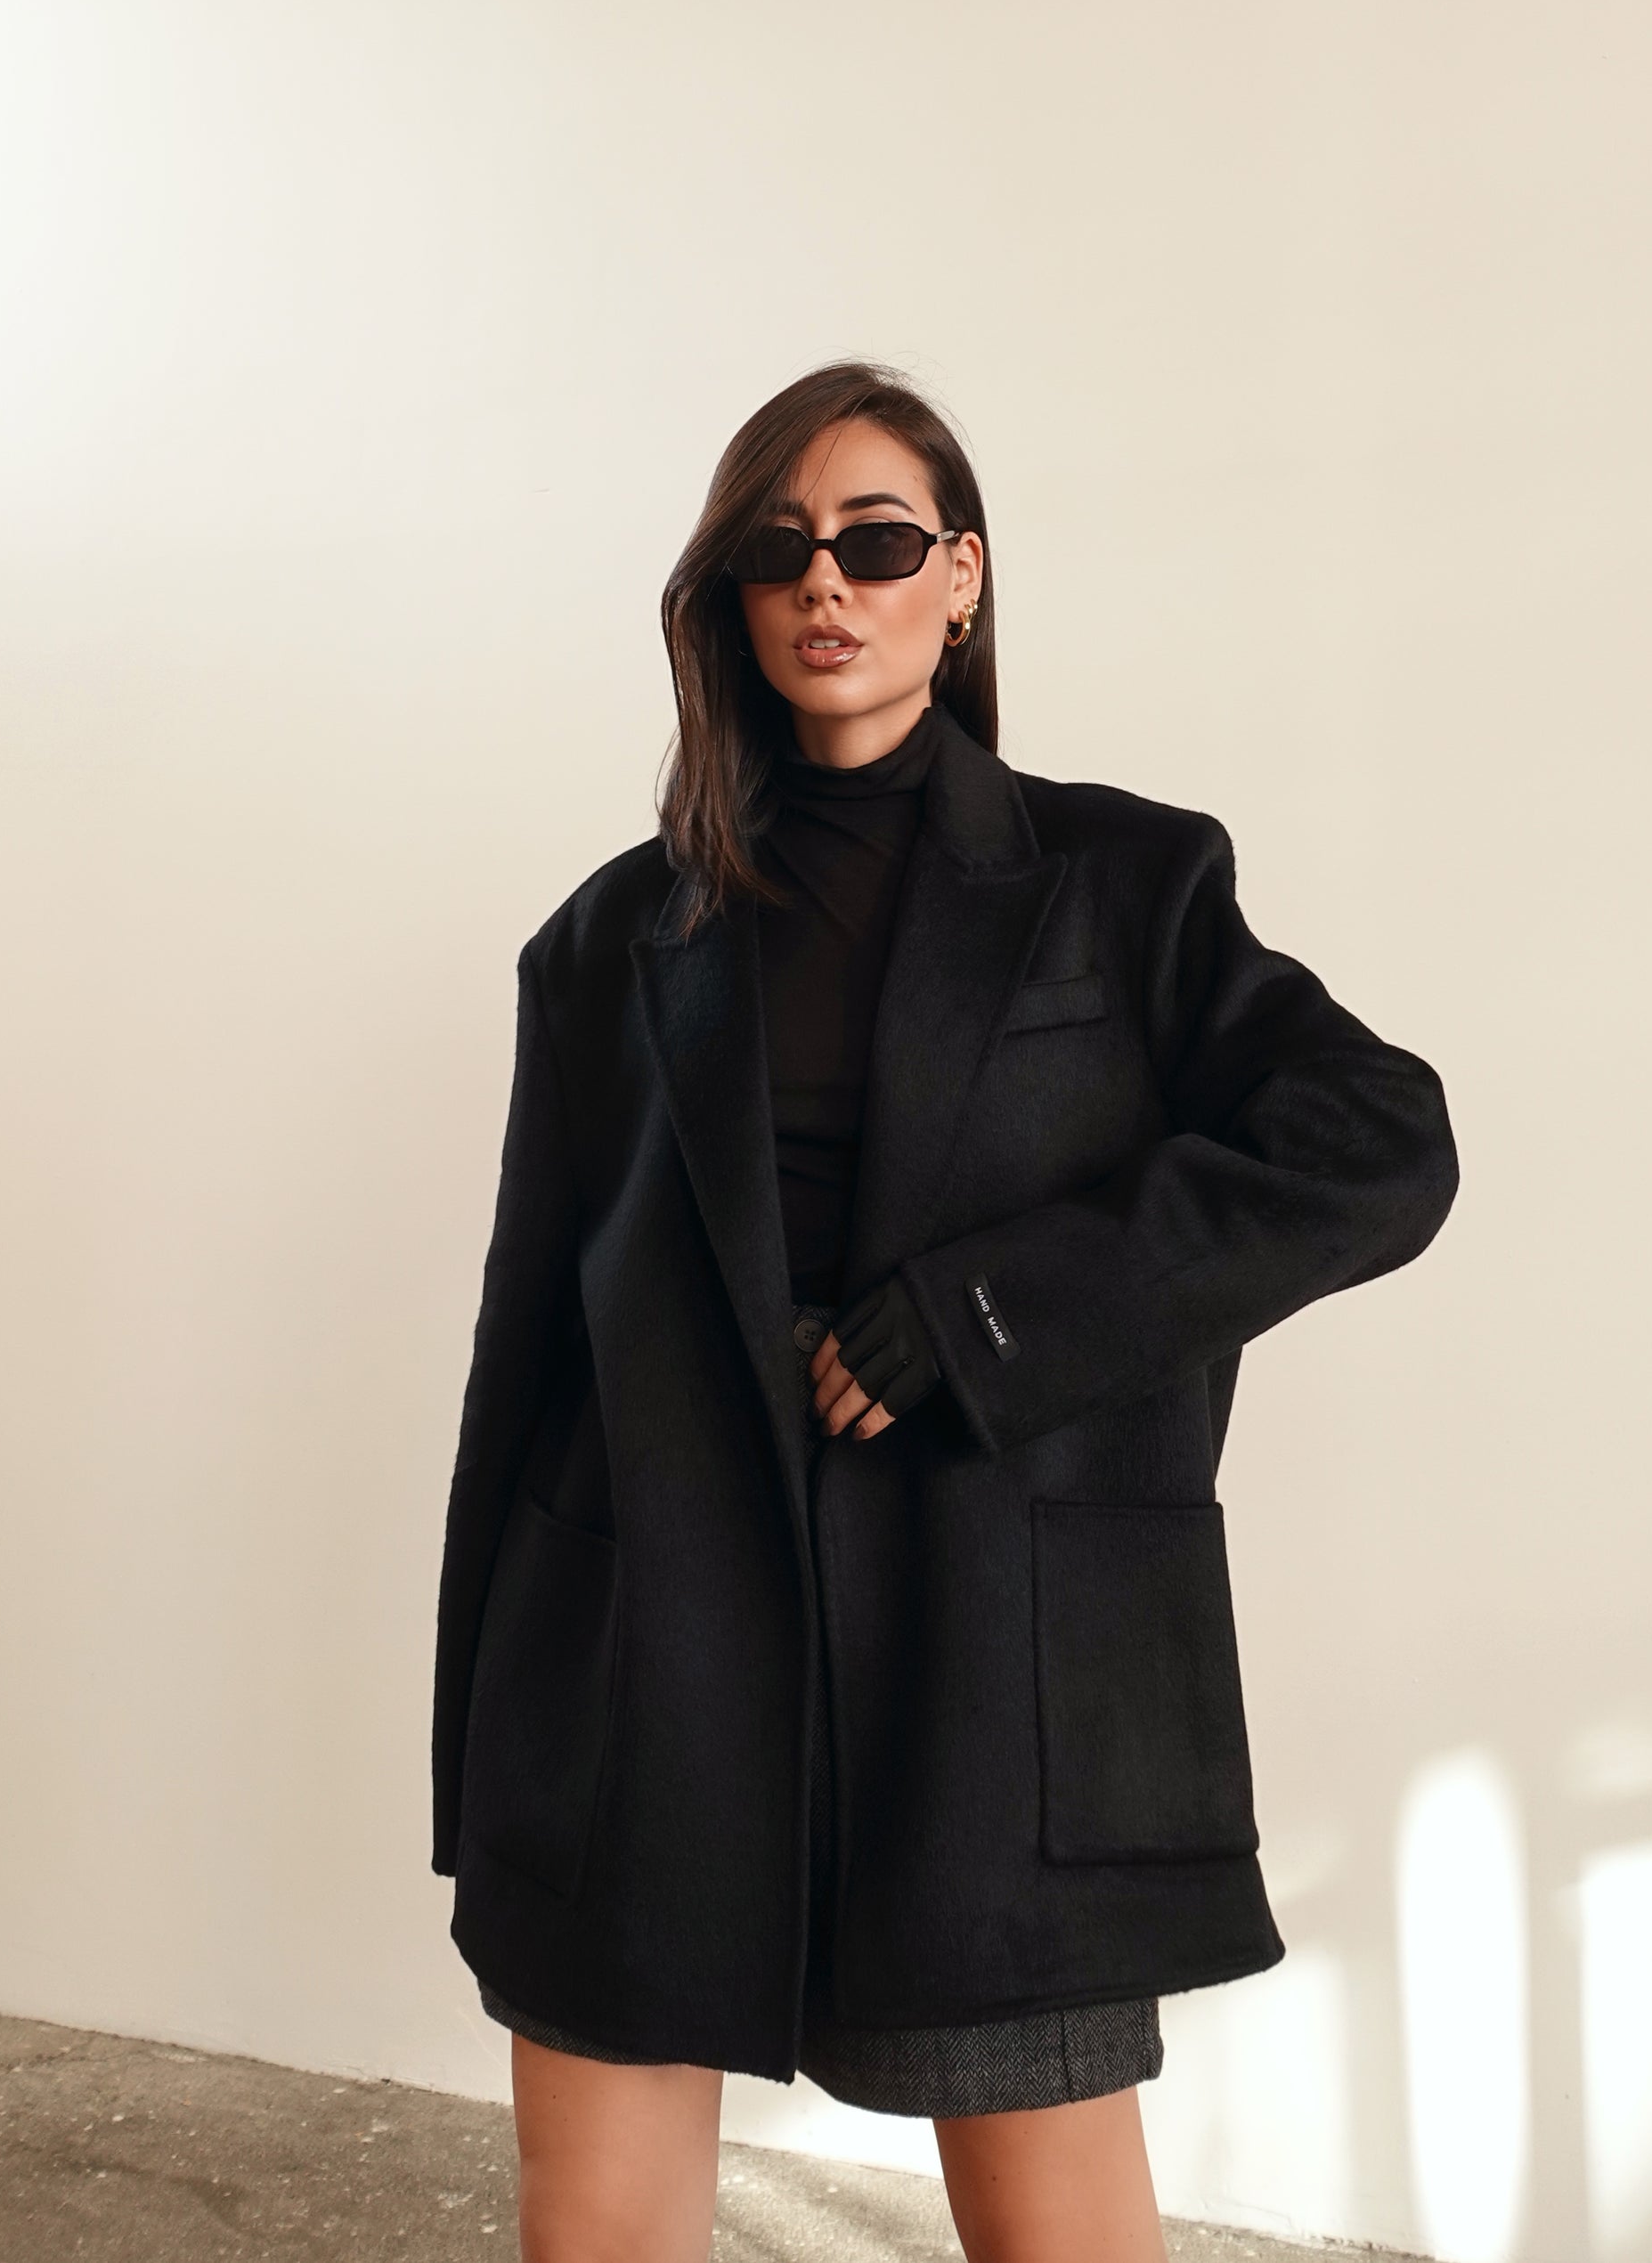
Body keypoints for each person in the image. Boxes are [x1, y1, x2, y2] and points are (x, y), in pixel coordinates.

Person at [430, 360, 1460, 2262]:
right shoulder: (605, 941)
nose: (826, 582)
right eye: (777, 550)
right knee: (596, 2225)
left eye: (878, 540)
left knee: (1058, 2231)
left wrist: (985, 1316)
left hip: (994, 1655)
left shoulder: (1122, 881)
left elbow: (1379, 1144)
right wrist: (473, 1762)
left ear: (962, 577)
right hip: (645, 1647)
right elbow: (524, 1345)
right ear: (729, 600)